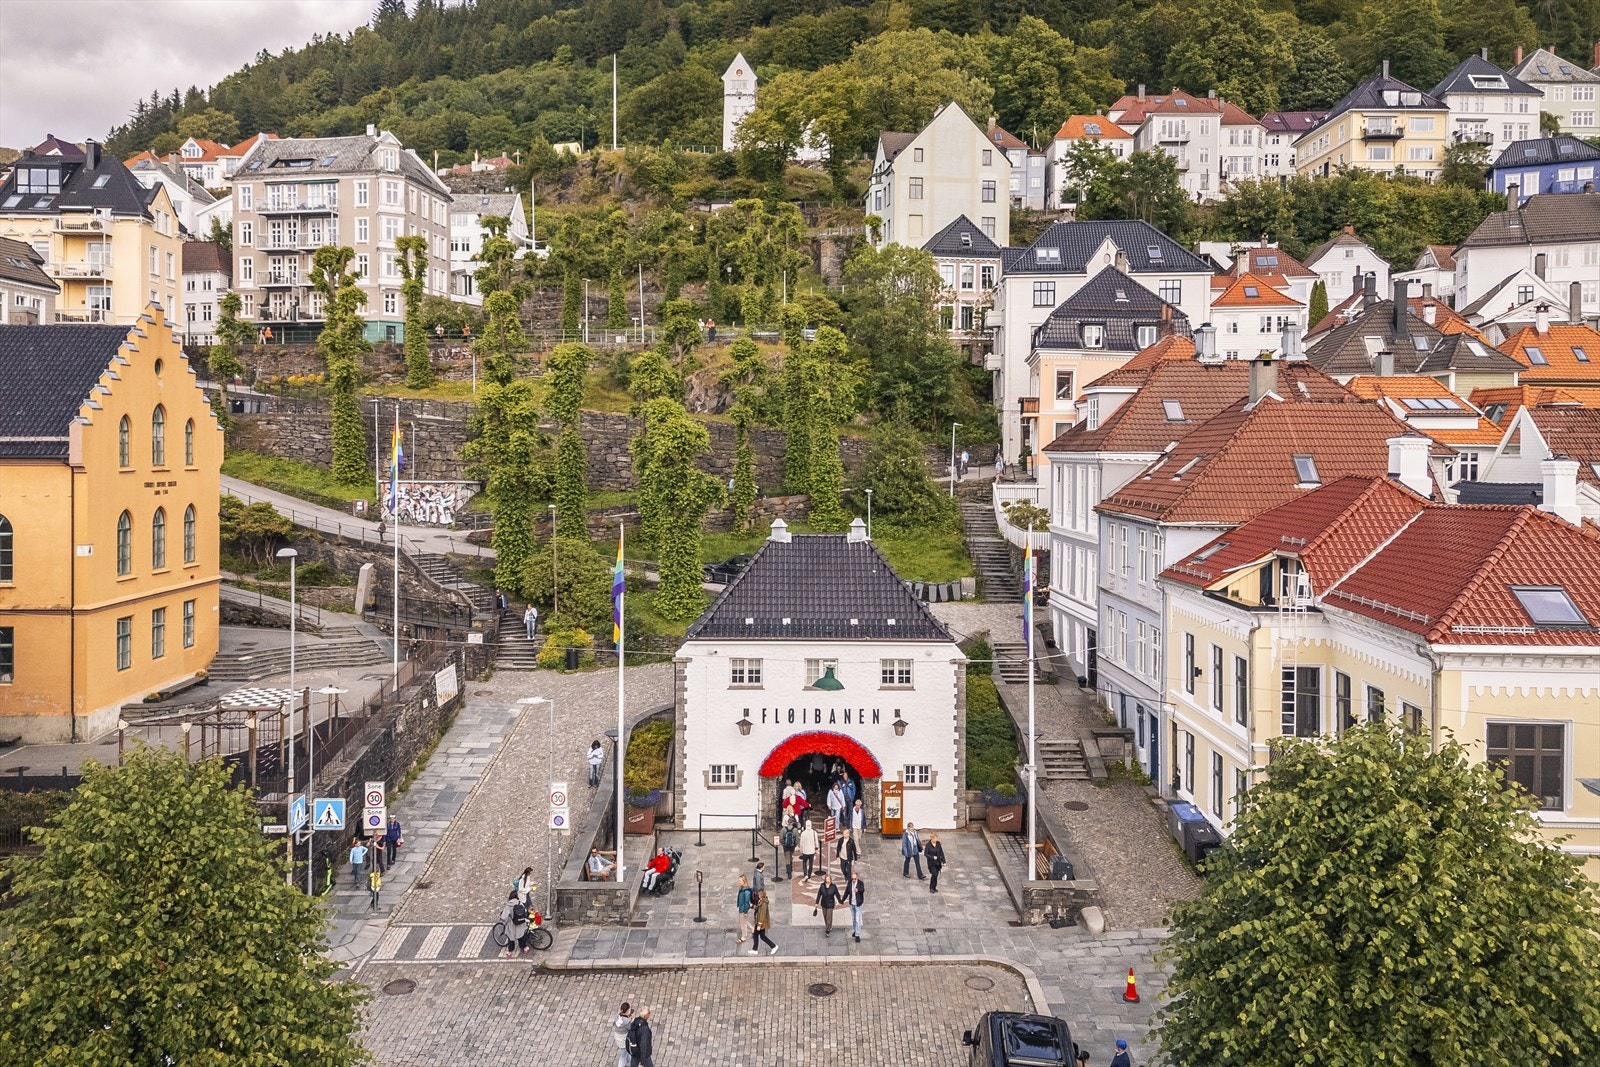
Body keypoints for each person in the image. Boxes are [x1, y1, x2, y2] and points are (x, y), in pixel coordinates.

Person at [501, 889, 530, 956]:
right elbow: (525, 911)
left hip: (512, 924)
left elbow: (504, 916)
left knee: (511, 938)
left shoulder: (508, 905)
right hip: (520, 923)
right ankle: (524, 948)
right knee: (521, 936)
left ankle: (510, 951)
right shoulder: (519, 903)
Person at [750, 890, 777, 954]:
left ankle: (755, 949)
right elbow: (757, 909)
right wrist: (752, 906)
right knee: (761, 936)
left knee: (758, 935)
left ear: (761, 895)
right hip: (759, 922)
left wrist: (759, 925)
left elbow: (762, 914)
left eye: (759, 894)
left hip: (760, 923)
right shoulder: (761, 901)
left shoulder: (764, 903)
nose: (758, 895)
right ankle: (772, 946)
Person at [847, 871, 865, 942]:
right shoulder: (849, 883)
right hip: (852, 904)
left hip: (858, 904)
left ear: (857, 877)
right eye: (853, 879)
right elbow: (846, 892)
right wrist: (841, 901)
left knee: (857, 920)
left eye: (855, 879)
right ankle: (855, 930)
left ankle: (857, 935)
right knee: (853, 919)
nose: (854, 880)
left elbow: (863, 889)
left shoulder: (860, 883)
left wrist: (858, 890)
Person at [735, 875, 753, 945]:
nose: (739, 882)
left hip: (743, 909)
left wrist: (745, 912)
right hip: (741, 907)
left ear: (744, 881)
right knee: (744, 921)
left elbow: (747, 903)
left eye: (740, 881)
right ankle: (752, 928)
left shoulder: (746, 892)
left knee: (743, 924)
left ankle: (744, 936)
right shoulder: (742, 888)